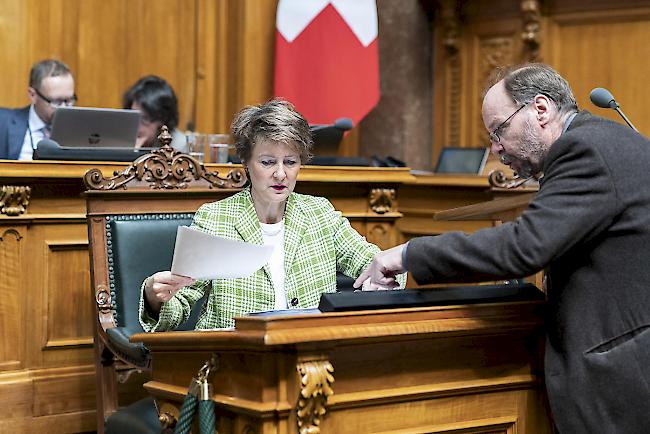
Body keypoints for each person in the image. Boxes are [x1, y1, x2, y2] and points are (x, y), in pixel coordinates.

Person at [355, 63, 650, 433]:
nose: (496, 149)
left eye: (499, 130)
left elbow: (523, 247)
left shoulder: (585, 149)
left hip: (623, 383)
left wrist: (408, 254)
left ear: (540, 110)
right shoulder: (604, 140)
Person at [139, 98, 405, 331]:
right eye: (267, 162)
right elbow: (180, 305)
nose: (280, 174)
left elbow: (376, 264)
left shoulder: (320, 214)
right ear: (246, 161)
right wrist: (155, 297)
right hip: (235, 359)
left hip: (309, 351)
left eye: (290, 162)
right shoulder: (214, 218)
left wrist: (387, 276)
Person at [0, 59, 76, 160]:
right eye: (56, 102)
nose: (65, 108)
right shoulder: (3, 123)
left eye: (69, 100)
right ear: (33, 95)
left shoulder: (82, 131)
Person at [122, 75, 188, 153]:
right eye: (134, 115)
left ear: (162, 119)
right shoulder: (123, 141)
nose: (136, 125)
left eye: (144, 118)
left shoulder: (179, 145)